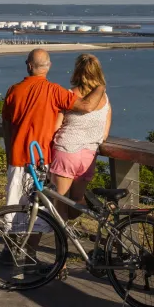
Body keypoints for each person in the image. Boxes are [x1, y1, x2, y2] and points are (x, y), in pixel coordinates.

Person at [0, 49, 106, 271]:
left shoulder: (13, 90)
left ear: (28, 65)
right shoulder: (54, 91)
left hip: (18, 157)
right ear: (48, 66)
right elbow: (86, 106)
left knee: (14, 204)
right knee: (39, 208)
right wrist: (100, 87)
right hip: (41, 158)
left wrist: (10, 152)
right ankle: (30, 253)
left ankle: (9, 250)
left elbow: (7, 125)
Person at [50, 54, 111, 278]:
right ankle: (97, 207)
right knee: (76, 204)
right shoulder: (104, 99)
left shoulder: (69, 96)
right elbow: (104, 132)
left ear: (77, 71)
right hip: (88, 156)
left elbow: (55, 127)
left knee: (60, 210)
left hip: (66, 153)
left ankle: (61, 262)